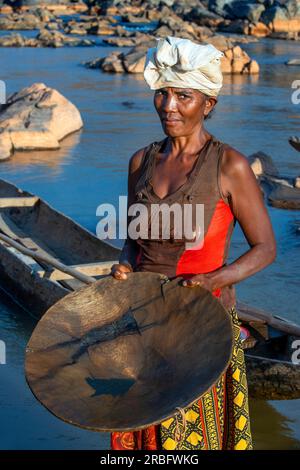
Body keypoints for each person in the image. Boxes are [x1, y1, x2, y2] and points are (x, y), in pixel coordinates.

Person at [109, 36, 276, 450]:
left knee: (188, 440)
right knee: (144, 438)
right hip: (144, 322)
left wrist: (212, 279)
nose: (169, 106)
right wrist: (125, 263)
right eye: (162, 93)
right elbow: (134, 239)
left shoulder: (229, 165)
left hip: (203, 326)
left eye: (184, 95)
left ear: (209, 104)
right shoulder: (140, 162)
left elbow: (265, 249)